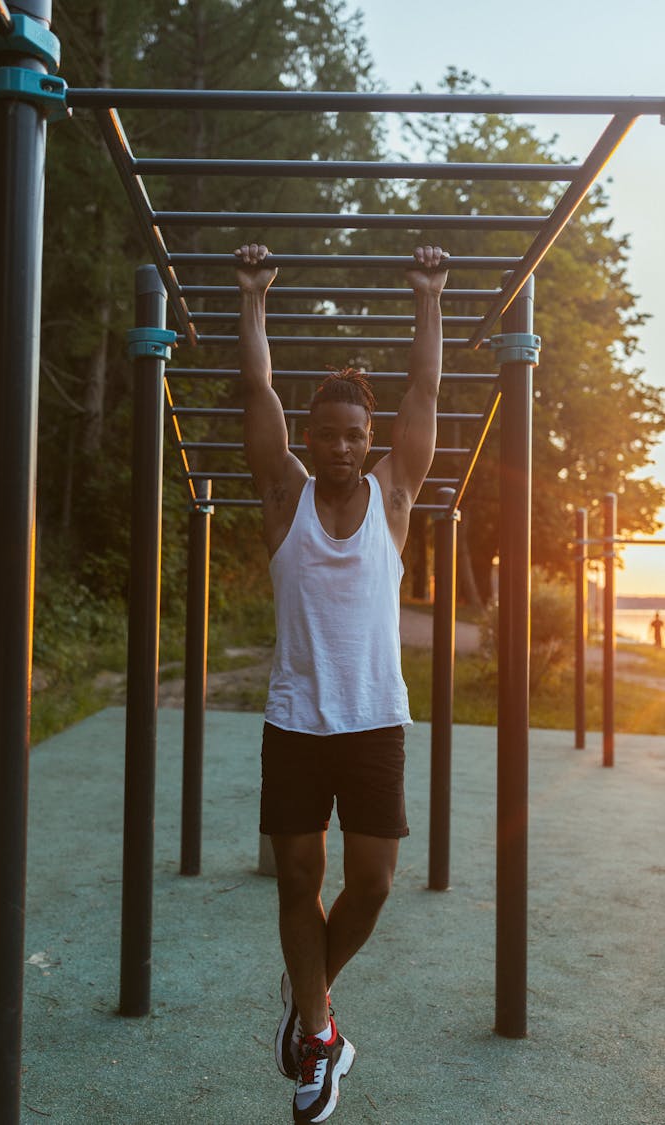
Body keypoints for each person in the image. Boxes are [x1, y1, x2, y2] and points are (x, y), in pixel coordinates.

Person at [234, 241, 449, 1124]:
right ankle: (320, 1038)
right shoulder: (283, 495)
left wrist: (429, 297)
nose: (340, 445)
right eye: (326, 432)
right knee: (295, 878)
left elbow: (425, 396)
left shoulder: (395, 496)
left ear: (370, 441)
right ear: (309, 439)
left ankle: (309, 987)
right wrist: (253, 299)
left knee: (372, 883)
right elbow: (258, 397)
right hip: (294, 718)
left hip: (372, 722)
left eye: (355, 433)